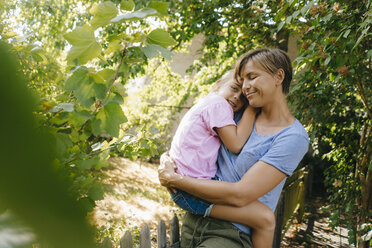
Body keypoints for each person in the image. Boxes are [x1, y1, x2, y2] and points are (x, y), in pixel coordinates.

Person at [158, 48, 309, 248]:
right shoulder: (234, 112)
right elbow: (191, 139)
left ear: (279, 76)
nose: (245, 87)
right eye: (242, 81)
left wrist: (176, 179)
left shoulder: (292, 137)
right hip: (193, 221)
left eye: (252, 77)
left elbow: (241, 194)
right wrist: (167, 159)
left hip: (231, 234)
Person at [168, 70, 274, 247]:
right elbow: (236, 144)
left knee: (259, 214)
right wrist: (251, 109)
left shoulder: (206, 104)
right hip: (191, 189)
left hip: (186, 187)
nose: (236, 97)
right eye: (234, 88)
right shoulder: (218, 105)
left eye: (243, 98)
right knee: (260, 215)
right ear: (218, 84)